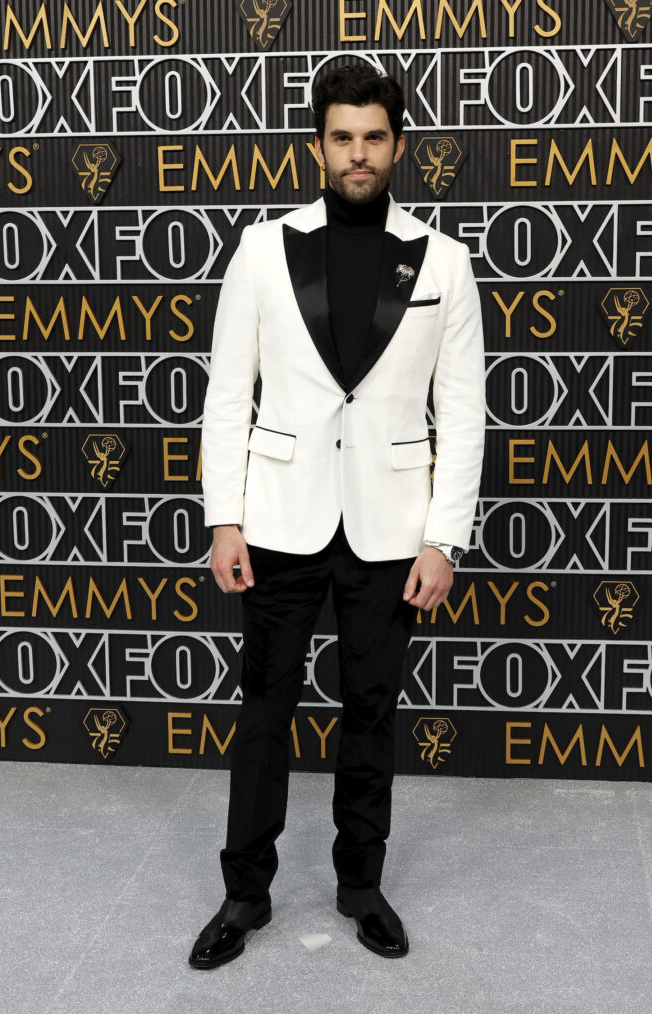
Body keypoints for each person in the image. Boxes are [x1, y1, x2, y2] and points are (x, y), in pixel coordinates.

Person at [189, 62, 485, 969]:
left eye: (375, 137)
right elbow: (229, 392)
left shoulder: (443, 260)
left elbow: (464, 410)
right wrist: (224, 519)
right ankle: (246, 892)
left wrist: (442, 538)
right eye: (342, 137)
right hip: (278, 519)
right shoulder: (263, 248)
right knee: (264, 713)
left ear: (398, 145)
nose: (358, 154)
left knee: (370, 708)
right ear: (318, 145)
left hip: (391, 530)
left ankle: (360, 883)